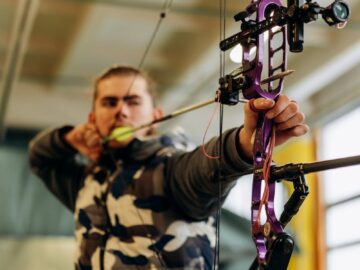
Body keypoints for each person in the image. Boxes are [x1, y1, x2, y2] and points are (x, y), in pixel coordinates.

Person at [29, 65, 308, 270]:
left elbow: (206, 166)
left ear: (156, 115)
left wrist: (248, 142)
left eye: (132, 101)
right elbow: (40, 158)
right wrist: (68, 138)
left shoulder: (170, 166)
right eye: (109, 102)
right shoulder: (87, 179)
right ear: (93, 118)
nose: (121, 111)